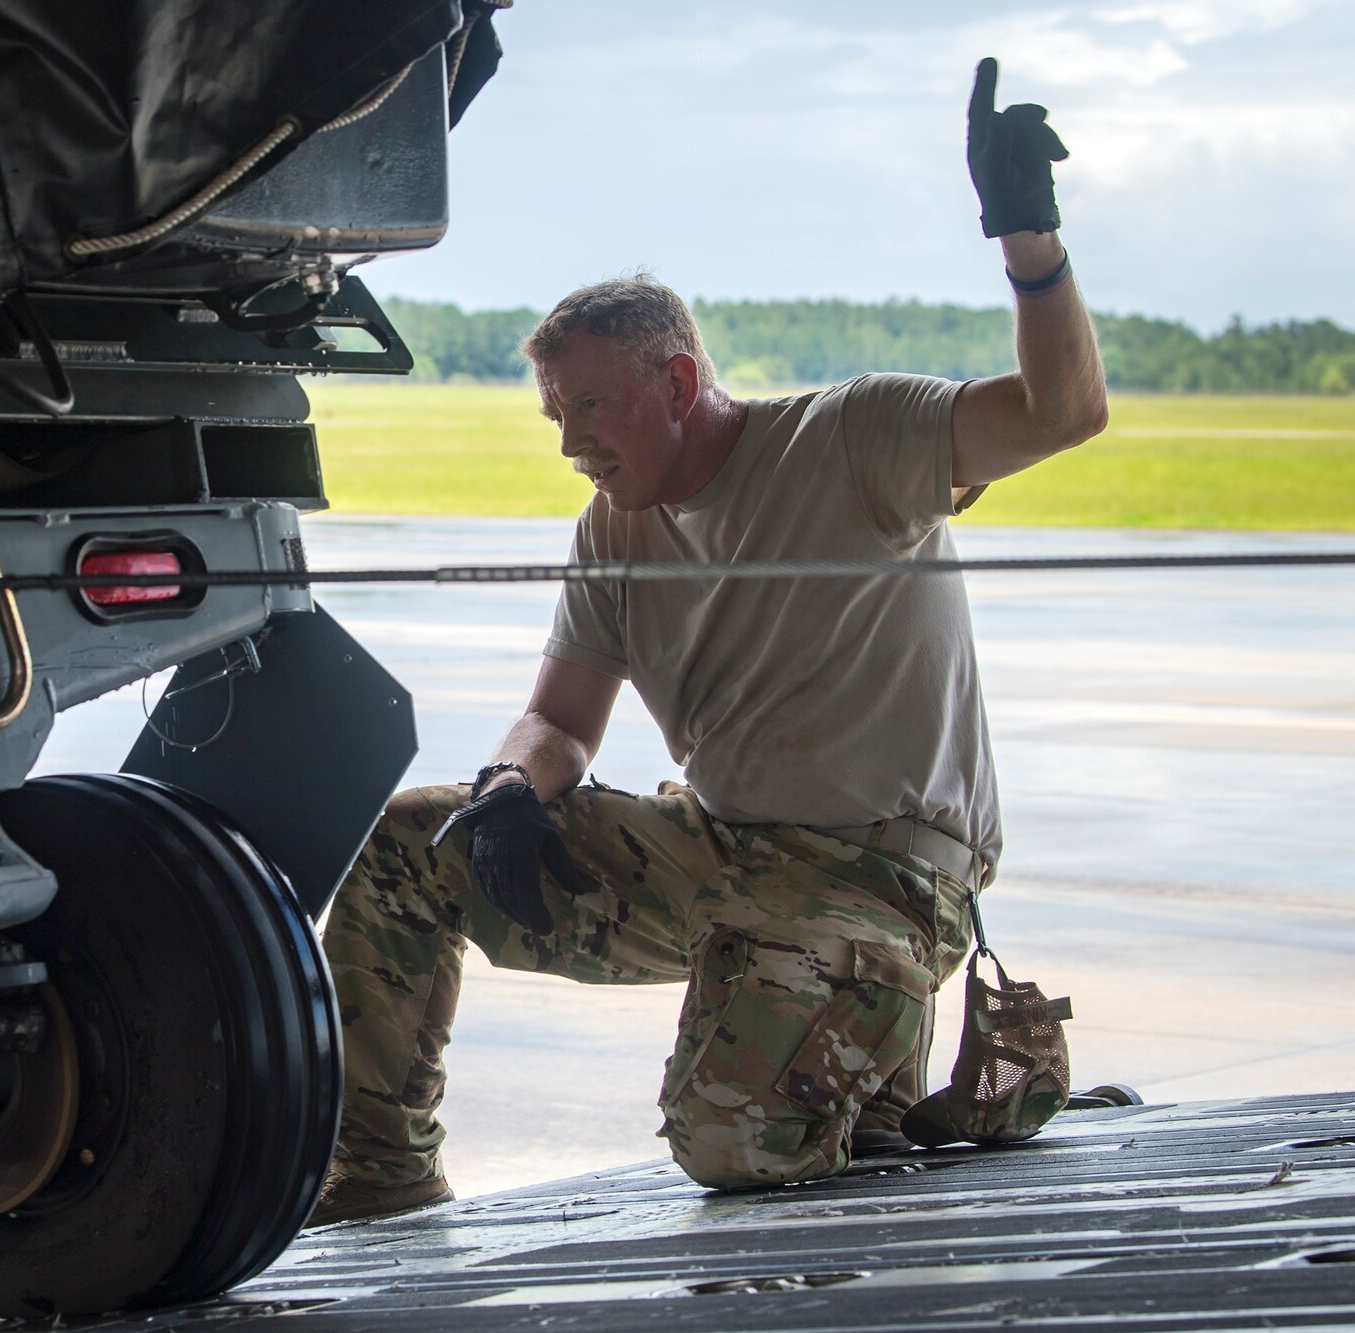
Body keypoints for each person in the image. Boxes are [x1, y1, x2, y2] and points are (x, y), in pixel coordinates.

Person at [310, 58, 1108, 1224]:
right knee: (405, 849)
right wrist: (508, 790)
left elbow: (1061, 412)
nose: (569, 444)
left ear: (676, 379)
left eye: (587, 409)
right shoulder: (611, 529)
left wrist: (1028, 241)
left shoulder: (851, 438)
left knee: (729, 1142)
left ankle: (885, 1090)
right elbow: (559, 718)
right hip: (716, 851)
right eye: (553, 416)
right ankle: (375, 1179)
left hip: (881, 877)